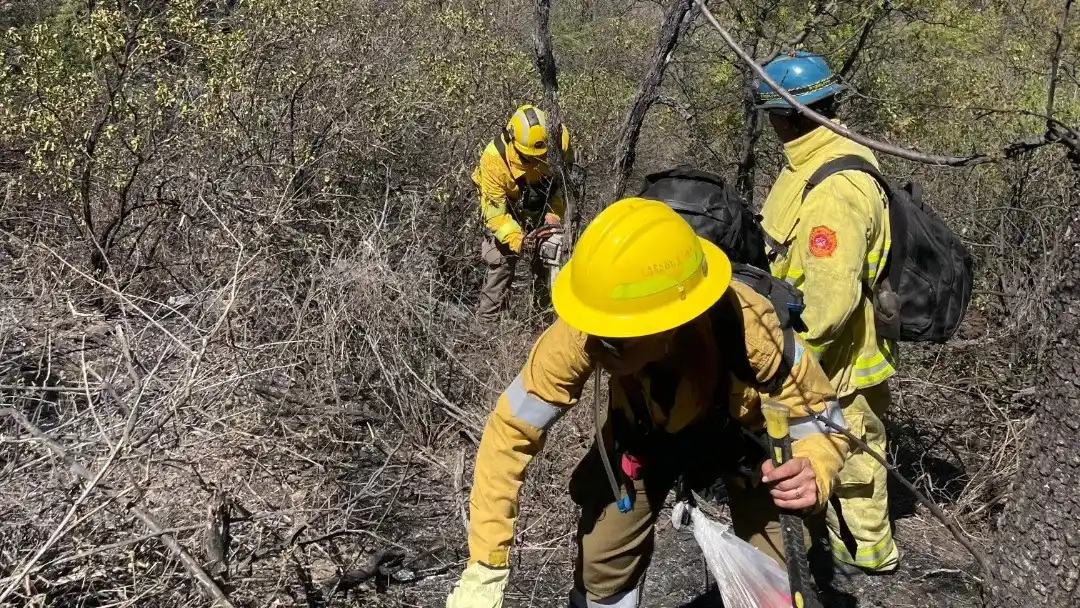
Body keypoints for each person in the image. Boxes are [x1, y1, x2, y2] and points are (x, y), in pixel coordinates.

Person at [446, 197, 852, 608]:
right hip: (641, 441)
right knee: (603, 567)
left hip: (745, 451)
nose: (592, 348)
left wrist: (814, 469)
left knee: (776, 581)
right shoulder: (587, 328)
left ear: (668, 328)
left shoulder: (751, 327)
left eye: (611, 341)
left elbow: (820, 415)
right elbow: (510, 430)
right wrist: (487, 564)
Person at [755, 51, 899, 574]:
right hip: (817, 354)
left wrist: (787, 361)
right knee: (828, 448)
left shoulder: (834, 189)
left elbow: (830, 303)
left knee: (855, 455)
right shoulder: (811, 160)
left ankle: (870, 555)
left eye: (771, 114)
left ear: (788, 114)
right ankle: (837, 537)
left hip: (838, 360)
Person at [472, 104, 574, 324]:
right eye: (530, 158)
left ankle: (543, 319)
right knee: (501, 261)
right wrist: (519, 241)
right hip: (507, 208)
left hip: (543, 204)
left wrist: (554, 217)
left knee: (549, 258)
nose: (538, 162)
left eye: (542, 156)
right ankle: (487, 323)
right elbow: (495, 215)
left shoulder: (561, 142)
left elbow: (563, 186)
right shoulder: (493, 160)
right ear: (513, 144)